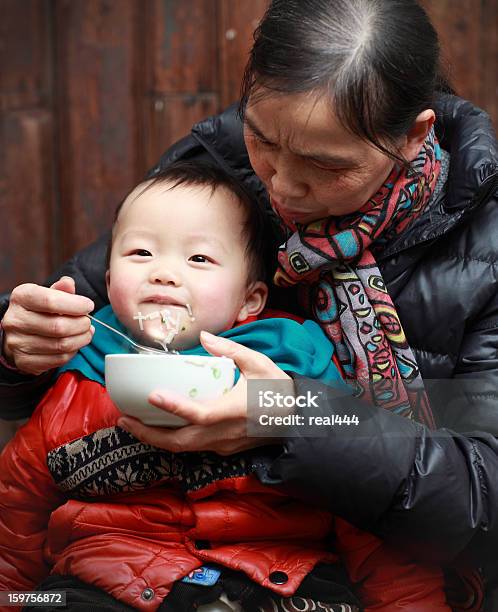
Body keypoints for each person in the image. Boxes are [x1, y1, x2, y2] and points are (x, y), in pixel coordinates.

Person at [0, 0, 497, 607]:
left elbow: (484, 490)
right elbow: (79, 341)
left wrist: (296, 417)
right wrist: (16, 346)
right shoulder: (220, 170)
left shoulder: (485, 247)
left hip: (323, 571)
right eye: (263, 139)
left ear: (414, 134)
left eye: (325, 164)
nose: (282, 186)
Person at [0, 161, 451, 612]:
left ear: (249, 300)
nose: (164, 273)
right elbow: (16, 510)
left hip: (278, 578)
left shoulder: (295, 368)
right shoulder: (77, 374)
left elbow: (360, 497)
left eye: (199, 259)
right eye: (140, 253)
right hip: (105, 578)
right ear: (110, 279)